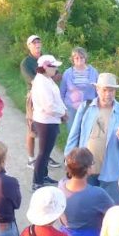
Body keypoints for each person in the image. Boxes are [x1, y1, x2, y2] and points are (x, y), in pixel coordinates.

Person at [64, 72, 119, 204]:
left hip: (109, 173)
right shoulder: (86, 107)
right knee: (85, 205)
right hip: (85, 169)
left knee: (111, 209)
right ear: (97, 89)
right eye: (104, 90)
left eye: (111, 90)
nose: (108, 94)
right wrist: (68, 160)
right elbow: (74, 135)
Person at [21, 34, 60, 169]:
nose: (37, 45)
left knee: (49, 127)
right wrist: (48, 79)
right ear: (29, 46)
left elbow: (57, 74)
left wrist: (49, 78)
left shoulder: (46, 59)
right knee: (32, 129)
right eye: (33, 43)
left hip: (49, 96)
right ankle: (31, 159)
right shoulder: (26, 63)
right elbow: (34, 82)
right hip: (34, 98)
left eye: (38, 42)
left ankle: (45, 156)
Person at [30, 54, 67, 189]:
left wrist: (63, 110)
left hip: (50, 120)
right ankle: (37, 182)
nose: (56, 69)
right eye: (54, 66)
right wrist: (63, 113)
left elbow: (56, 100)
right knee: (43, 153)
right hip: (46, 122)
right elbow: (49, 106)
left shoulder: (46, 79)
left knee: (46, 152)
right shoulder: (42, 83)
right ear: (45, 67)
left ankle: (43, 176)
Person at [59, 46, 99, 120]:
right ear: (73, 59)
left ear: (85, 58)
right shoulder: (67, 73)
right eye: (76, 58)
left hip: (89, 107)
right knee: (72, 131)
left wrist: (99, 105)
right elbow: (62, 92)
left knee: (88, 130)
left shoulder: (94, 72)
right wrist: (63, 108)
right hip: (71, 108)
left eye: (81, 57)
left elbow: (98, 90)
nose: (79, 60)